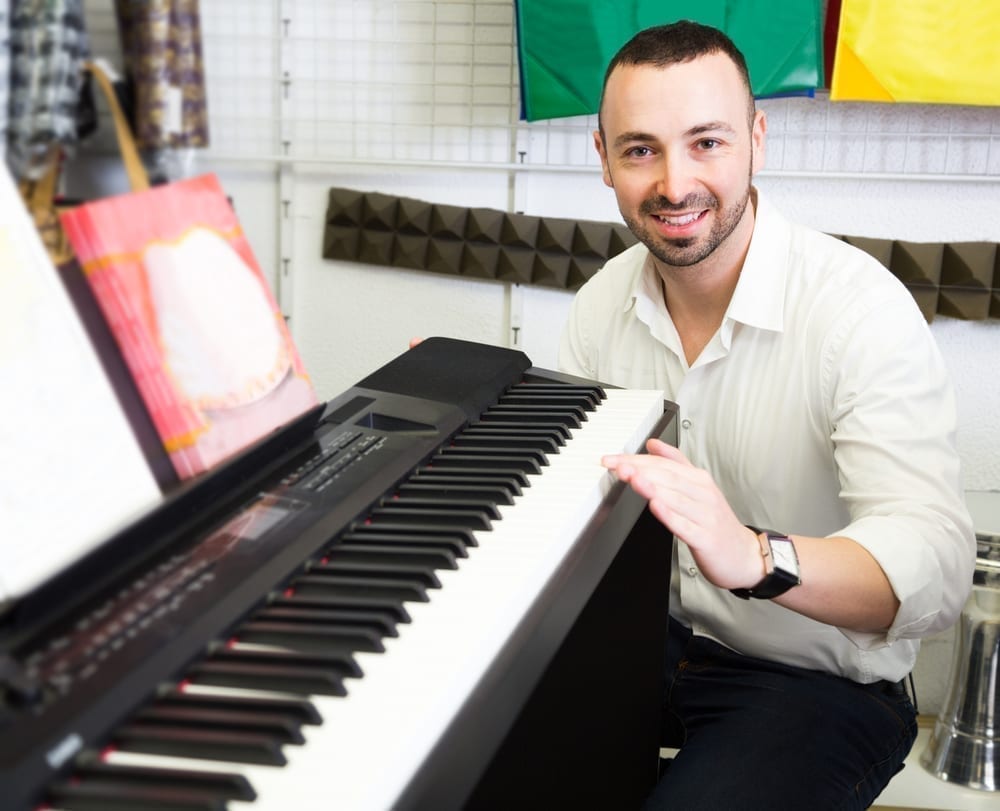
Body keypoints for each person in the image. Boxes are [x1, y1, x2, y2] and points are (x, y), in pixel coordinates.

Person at [558, 20, 976, 810]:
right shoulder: (601, 302)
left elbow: (936, 567)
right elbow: (584, 497)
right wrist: (474, 434)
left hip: (818, 681)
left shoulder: (861, 311)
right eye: (640, 148)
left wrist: (755, 555)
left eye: (706, 142)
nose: (674, 183)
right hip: (653, 646)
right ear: (603, 157)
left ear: (757, 136)